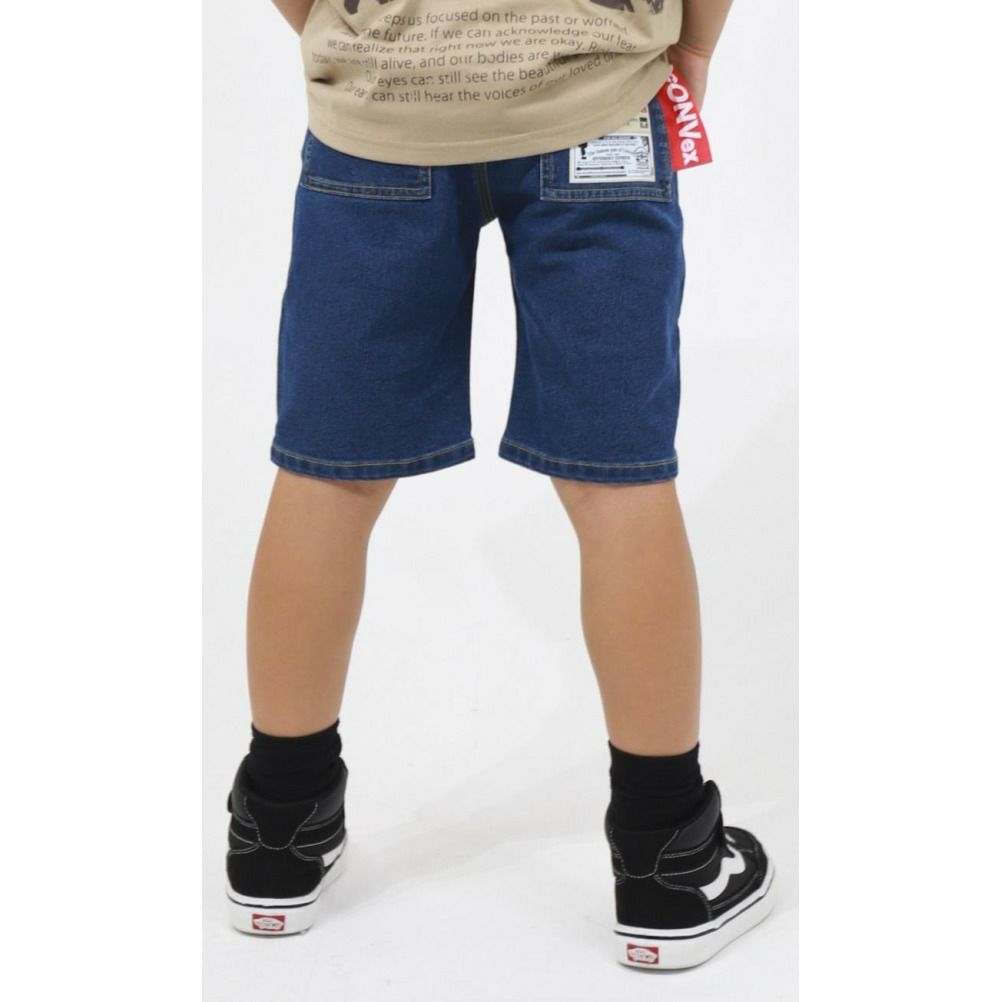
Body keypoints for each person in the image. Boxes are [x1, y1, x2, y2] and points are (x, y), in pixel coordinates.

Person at [223, 0, 775, 968]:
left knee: (328, 474)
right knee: (618, 481)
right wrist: (692, 46)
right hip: (593, 98)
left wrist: (355, 38)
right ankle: (666, 854)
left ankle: (279, 828)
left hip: (381, 111)